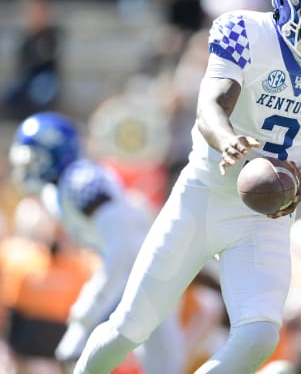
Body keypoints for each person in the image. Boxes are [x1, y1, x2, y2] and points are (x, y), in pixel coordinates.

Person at [74, 0, 301, 374]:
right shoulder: (244, 31)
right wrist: (230, 142)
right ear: (286, 4)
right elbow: (211, 105)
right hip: (203, 196)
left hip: (265, 217)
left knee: (260, 334)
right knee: (129, 328)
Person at [8, 112, 185, 374]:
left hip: (149, 272)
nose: (28, 168)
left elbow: (122, 248)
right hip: (132, 273)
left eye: (35, 159)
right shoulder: (55, 191)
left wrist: (89, 310)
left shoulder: (82, 182)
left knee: (162, 363)